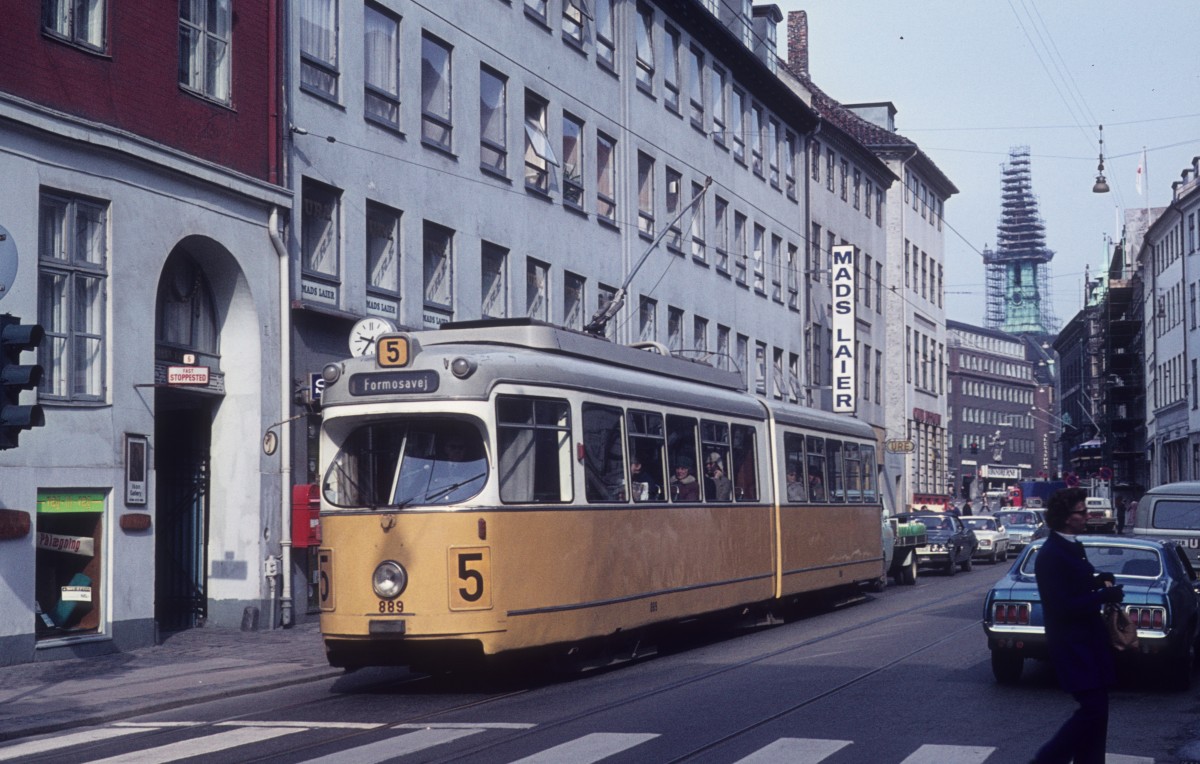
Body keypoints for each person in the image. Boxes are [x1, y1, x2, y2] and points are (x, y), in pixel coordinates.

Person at [1031, 486, 1124, 764]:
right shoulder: (1051, 554)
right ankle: (1047, 759)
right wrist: (1102, 595)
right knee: (1092, 709)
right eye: (1082, 512)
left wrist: (1096, 580)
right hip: (1071, 644)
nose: (1087, 516)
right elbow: (1061, 606)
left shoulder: (1071, 546)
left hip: (1089, 641)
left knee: (1099, 710)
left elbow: (1074, 584)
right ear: (1065, 518)